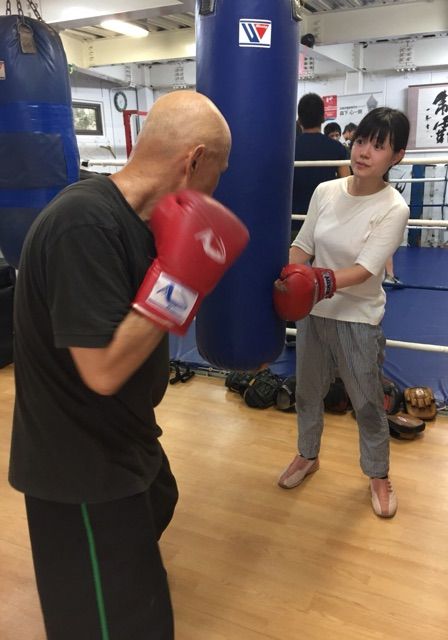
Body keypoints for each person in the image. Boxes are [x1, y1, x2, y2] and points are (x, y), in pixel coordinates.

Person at [8, 90, 249, 640]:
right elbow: (103, 371)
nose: (218, 186)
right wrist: (180, 282)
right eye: (219, 170)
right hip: (80, 468)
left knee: (160, 500)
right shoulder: (84, 223)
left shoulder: (135, 224)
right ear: (195, 161)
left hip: (124, 438)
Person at [273, 107, 410, 518]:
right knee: (307, 392)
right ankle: (307, 455)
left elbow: (366, 269)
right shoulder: (326, 191)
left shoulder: (394, 207)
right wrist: (286, 276)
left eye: (379, 146)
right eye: (361, 141)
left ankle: (378, 474)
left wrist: (314, 283)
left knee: (366, 402)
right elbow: (303, 244)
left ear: (397, 156)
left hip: (358, 319)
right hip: (313, 314)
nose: (364, 152)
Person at [292, 94, 350, 218]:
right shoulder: (337, 148)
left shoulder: (288, 149)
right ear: (323, 118)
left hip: (293, 218)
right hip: (326, 218)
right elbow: (346, 184)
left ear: (299, 120)